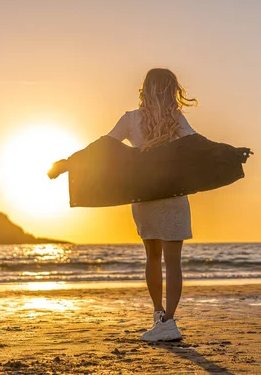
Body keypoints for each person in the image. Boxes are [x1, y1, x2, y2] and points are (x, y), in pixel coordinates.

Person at [106, 68, 197, 342]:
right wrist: (229, 155)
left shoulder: (130, 119)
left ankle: (159, 314)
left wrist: (69, 164)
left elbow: (104, 147)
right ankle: (168, 320)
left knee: (153, 259)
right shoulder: (176, 119)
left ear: (145, 88)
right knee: (173, 263)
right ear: (171, 90)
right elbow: (198, 144)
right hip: (174, 196)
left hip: (144, 197)